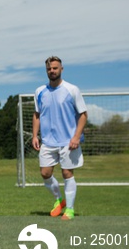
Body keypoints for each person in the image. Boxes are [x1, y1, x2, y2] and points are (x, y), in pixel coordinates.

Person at [31, 56, 87, 221]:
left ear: (61, 69)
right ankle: (59, 200)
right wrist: (35, 135)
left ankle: (69, 209)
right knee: (45, 173)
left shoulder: (72, 89)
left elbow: (83, 115)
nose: (52, 71)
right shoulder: (40, 91)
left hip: (68, 142)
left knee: (67, 173)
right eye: (49, 69)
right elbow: (37, 114)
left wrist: (76, 137)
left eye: (55, 68)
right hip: (47, 141)